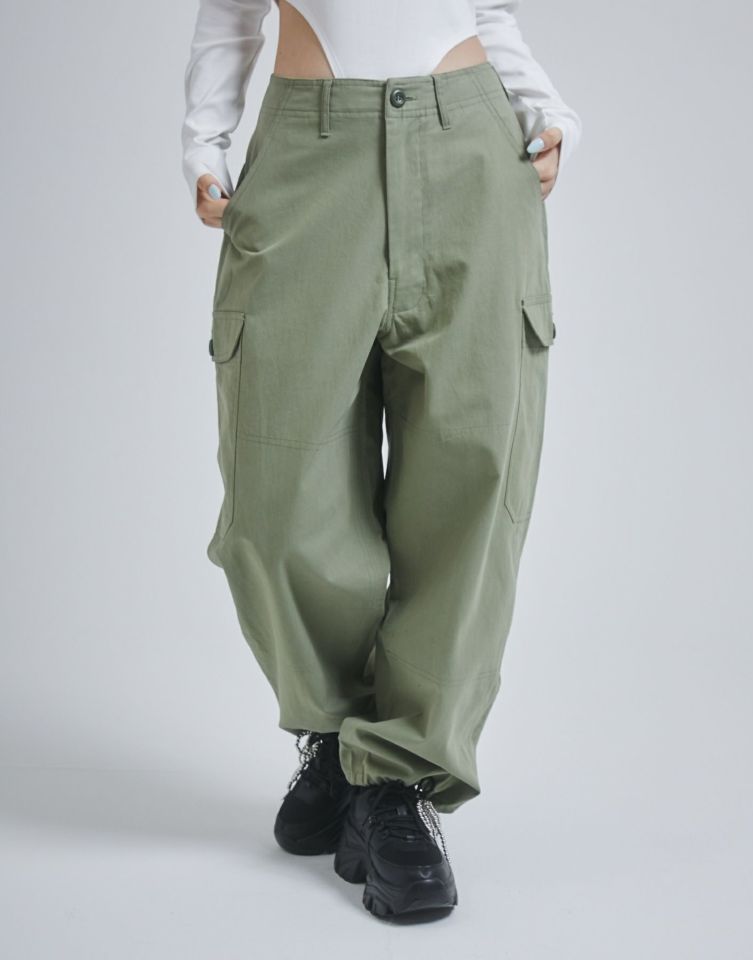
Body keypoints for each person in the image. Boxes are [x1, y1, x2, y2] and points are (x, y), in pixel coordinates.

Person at [181, 0, 581, 922]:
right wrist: (204, 140)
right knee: (275, 495)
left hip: (471, 149)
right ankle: (335, 732)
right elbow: (232, 10)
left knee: (469, 483)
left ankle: (397, 776)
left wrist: (548, 110)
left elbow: (484, 10)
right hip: (307, 155)